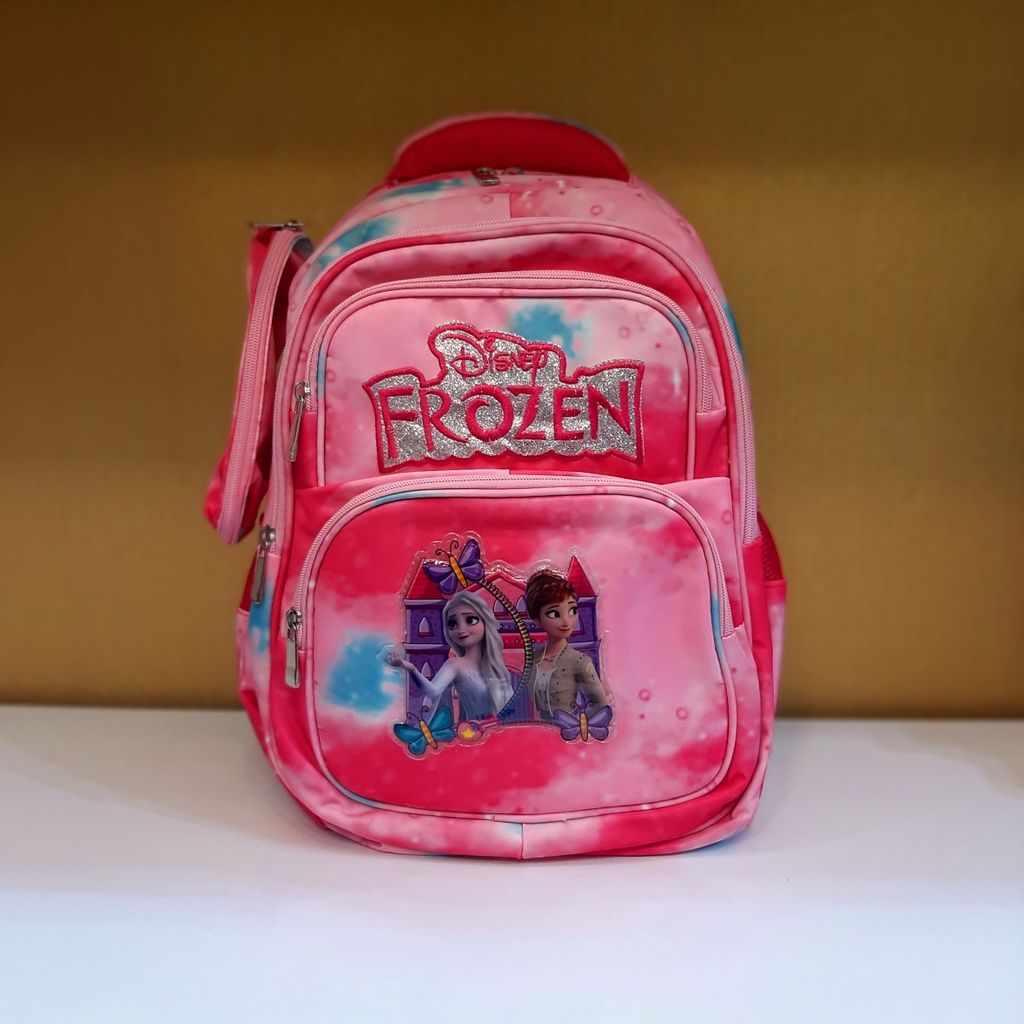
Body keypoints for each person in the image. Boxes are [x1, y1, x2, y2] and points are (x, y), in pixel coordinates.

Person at [389, 590, 514, 721]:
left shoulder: (496, 667)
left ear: (485, 621)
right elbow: (433, 692)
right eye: (453, 625)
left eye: (470, 620)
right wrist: (411, 669)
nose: (461, 630)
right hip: (475, 730)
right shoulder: (455, 665)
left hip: (502, 731)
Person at [525, 569, 609, 720]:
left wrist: (577, 725)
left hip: (567, 731)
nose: (566, 622)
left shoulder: (578, 661)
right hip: (538, 730)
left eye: (572, 610)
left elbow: (601, 705)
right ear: (537, 619)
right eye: (554, 614)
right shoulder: (533, 657)